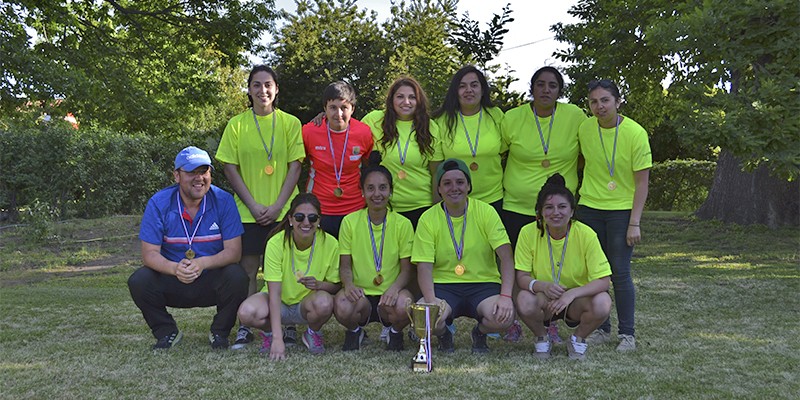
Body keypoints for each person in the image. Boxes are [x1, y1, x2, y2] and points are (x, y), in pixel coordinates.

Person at [216, 65, 304, 349]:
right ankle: (246, 326)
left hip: (285, 211)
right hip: (248, 211)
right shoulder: (237, 124)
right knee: (249, 270)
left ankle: (288, 324)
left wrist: (280, 206)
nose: (262, 90)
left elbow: (296, 166)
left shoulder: (291, 123)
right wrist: (253, 204)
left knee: (284, 269)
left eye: (268, 85)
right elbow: (229, 167)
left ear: (276, 89)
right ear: (249, 89)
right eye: (256, 85)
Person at [128, 146, 247, 351]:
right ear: (177, 175)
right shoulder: (159, 203)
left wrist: (202, 263)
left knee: (238, 276)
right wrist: (175, 268)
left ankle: (220, 332)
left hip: (210, 276)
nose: (199, 178)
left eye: (204, 171)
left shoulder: (224, 200)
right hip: (173, 277)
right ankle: (166, 332)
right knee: (139, 280)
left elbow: (234, 252)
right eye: (191, 172)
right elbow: (149, 255)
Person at [501, 66, 588, 343]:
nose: (546, 90)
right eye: (540, 84)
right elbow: (498, 153)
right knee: (519, 269)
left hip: (556, 211)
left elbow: (585, 155)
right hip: (517, 206)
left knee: (551, 265)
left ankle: (548, 322)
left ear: (560, 90)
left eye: (552, 85)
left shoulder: (574, 116)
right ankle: (514, 320)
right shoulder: (512, 118)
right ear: (532, 88)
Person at [412, 158, 516, 354]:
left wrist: (506, 296)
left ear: (469, 186)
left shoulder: (486, 212)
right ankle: (444, 335)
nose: (454, 188)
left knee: (504, 318)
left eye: (460, 182)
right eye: (447, 183)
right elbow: (424, 266)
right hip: (443, 285)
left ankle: (480, 332)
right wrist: (431, 300)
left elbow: (506, 257)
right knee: (424, 317)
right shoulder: (428, 218)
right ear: (439, 189)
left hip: (483, 284)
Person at [577, 79, 651, 352]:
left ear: (618, 102)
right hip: (589, 208)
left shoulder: (635, 133)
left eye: (605, 100)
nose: (599, 106)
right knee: (594, 272)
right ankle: (602, 328)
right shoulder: (585, 128)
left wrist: (634, 222)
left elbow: (642, 183)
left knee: (619, 272)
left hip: (621, 211)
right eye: (594, 102)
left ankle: (627, 335)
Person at [514, 173, 612, 360]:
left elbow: (604, 281)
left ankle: (578, 339)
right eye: (549, 207)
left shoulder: (586, 234)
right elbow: (522, 277)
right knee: (524, 299)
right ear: (540, 212)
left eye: (562, 207)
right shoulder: (527, 233)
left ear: (572, 211)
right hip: (543, 298)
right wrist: (544, 286)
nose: (556, 213)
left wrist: (571, 294)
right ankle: (542, 338)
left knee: (603, 302)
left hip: (575, 301)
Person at [236, 193, 340, 359]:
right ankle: (270, 334)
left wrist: (319, 285)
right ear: (291, 220)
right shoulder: (276, 243)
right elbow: (274, 293)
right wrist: (278, 338)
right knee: (246, 312)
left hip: (307, 304)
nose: (306, 222)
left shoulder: (331, 243)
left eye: (312, 218)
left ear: (319, 221)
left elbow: (336, 285)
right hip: (279, 303)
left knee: (324, 302)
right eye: (299, 217)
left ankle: (312, 332)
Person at [333, 153, 415, 351]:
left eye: (383, 188)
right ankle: (355, 331)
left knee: (406, 304)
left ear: (391, 191)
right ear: (362, 192)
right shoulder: (350, 222)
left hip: (390, 294)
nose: (377, 194)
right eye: (370, 188)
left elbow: (406, 270)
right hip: (361, 296)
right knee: (342, 304)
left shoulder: (403, 224)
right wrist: (349, 285)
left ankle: (394, 332)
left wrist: (394, 288)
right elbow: (345, 265)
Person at [361, 76, 443, 228]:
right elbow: (347, 130)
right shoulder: (374, 120)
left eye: (412, 97)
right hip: (385, 206)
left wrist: (437, 210)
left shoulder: (430, 127)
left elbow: (436, 173)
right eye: (400, 97)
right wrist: (323, 117)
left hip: (422, 206)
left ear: (419, 101)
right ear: (391, 99)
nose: (406, 102)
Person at [302, 81, 374, 238]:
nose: (338, 114)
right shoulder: (309, 132)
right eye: (333, 108)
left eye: (344, 108)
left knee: (352, 259)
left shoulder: (363, 133)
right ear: (324, 109)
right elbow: (297, 164)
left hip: (354, 208)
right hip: (319, 208)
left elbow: (368, 166)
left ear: (352, 109)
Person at [432, 66, 505, 213]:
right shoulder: (441, 121)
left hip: (493, 198)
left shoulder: (496, 115)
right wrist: (437, 207)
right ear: (455, 91)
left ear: (482, 89)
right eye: (462, 86)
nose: (469, 90)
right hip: (454, 201)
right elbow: (436, 170)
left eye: (474, 85)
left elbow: (506, 155)